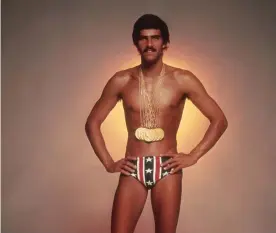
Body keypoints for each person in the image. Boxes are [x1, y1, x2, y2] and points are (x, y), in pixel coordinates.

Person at [85, 14, 228, 233]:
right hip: (134, 167)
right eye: (143, 39)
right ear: (136, 43)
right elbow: (93, 122)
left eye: (155, 38)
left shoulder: (182, 79)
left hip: (167, 167)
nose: (149, 44)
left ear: (165, 43)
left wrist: (194, 155)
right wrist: (108, 162)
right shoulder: (121, 80)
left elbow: (219, 120)